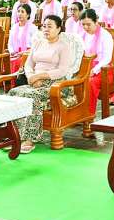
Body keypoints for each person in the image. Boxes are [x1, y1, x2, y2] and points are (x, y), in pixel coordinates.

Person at [6, 16, 79, 154]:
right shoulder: (38, 43)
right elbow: (28, 64)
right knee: (13, 93)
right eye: (44, 26)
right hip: (34, 81)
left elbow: (62, 70)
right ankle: (15, 136)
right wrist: (31, 77)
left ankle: (30, 139)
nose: (46, 29)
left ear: (59, 29)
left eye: (50, 26)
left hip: (57, 84)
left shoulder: (64, 46)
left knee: (33, 97)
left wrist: (39, 76)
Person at [78, 9, 114, 111]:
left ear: (96, 22)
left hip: (103, 70)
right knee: (72, 80)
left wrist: (94, 70)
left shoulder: (105, 35)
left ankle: (88, 113)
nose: (85, 27)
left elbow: (107, 58)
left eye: (88, 24)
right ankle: (76, 112)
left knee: (89, 82)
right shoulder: (82, 35)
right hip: (86, 67)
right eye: (83, 24)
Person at [8, 4, 39, 72]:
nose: (19, 14)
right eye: (18, 11)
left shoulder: (33, 28)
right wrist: (12, 52)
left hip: (27, 54)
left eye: (22, 12)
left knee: (19, 62)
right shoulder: (14, 27)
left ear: (28, 15)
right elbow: (10, 44)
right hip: (15, 54)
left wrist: (23, 53)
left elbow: (35, 46)